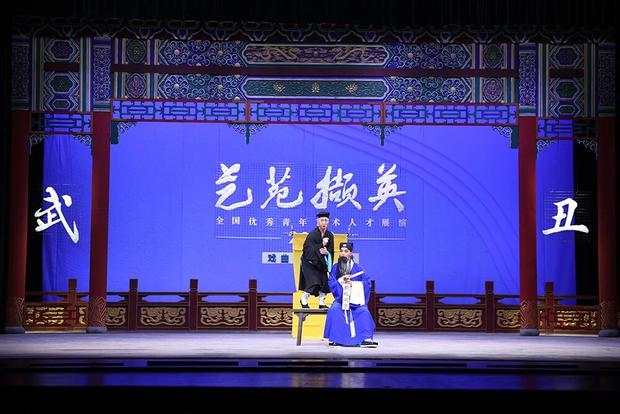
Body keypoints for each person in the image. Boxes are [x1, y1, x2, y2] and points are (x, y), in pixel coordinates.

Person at [323, 242, 377, 347]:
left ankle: (365, 338)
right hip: (341, 300)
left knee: (363, 311)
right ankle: (336, 338)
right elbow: (331, 283)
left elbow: (367, 283)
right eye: (341, 251)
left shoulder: (358, 269)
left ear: (351, 253)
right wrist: (341, 281)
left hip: (355, 301)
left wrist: (353, 284)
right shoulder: (335, 268)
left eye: (346, 251)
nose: (343, 253)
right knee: (334, 310)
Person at [299, 211, 334, 309]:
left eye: (326, 220)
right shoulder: (312, 235)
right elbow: (307, 250)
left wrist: (326, 252)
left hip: (321, 263)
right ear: (317, 222)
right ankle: (304, 300)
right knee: (313, 282)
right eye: (322, 220)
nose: (324, 222)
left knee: (324, 282)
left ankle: (321, 303)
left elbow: (331, 250)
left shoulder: (329, 235)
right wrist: (321, 245)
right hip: (309, 262)